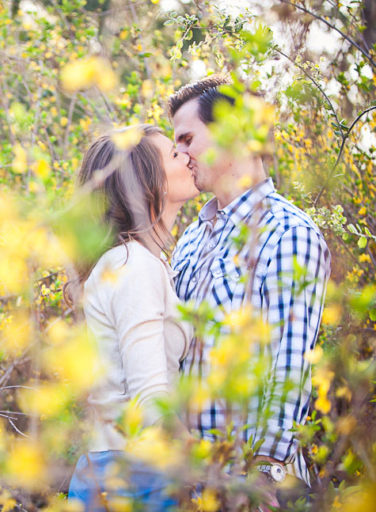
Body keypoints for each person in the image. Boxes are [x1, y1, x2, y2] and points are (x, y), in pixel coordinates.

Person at [168, 76, 331, 497]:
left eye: (187, 139)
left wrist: (264, 475)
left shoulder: (287, 231)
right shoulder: (190, 238)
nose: (177, 153)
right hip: (189, 484)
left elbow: (290, 365)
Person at [65, 125, 199, 511]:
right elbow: (151, 398)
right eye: (173, 155)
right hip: (135, 474)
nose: (186, 155)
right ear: (145, 181)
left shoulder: (134, 260)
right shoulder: (135, 265)